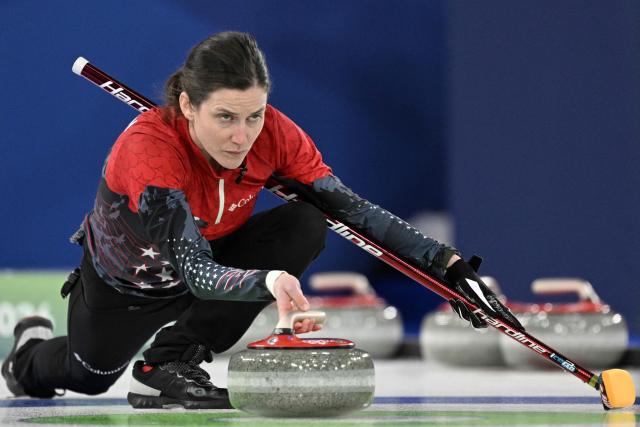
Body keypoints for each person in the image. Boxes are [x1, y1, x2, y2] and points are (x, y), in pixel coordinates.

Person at [1, 31, 523, 409]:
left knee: (306, 222)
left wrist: (450, 269)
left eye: (253, 115)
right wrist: (270, 281)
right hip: (130, 284)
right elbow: (197, 273)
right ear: (187, 104)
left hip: (219, 258)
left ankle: (170, 361)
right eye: (225, 117)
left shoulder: (275, 134)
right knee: (86, 376)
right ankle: (28, 351)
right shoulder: (150, 153)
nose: (242, 135)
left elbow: (354, 211)